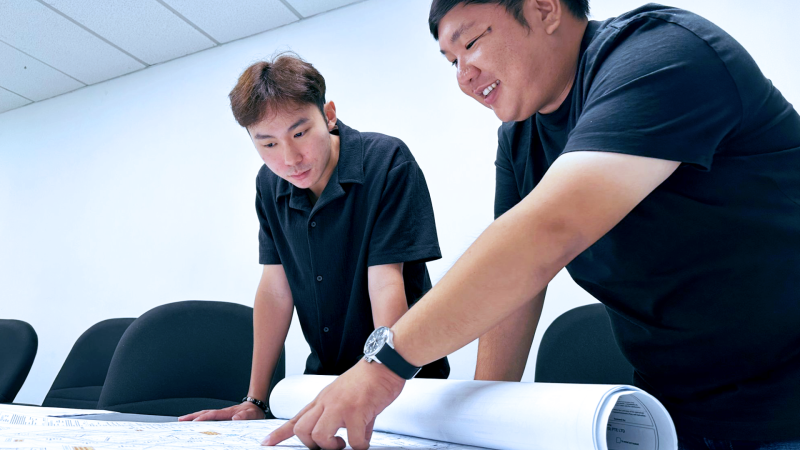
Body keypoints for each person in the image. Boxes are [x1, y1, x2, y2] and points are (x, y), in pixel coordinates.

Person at [264, 1, 800, 449]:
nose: (463, 77)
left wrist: (383, 367)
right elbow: (517, 289)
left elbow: (548, 232)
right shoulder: (519, 140)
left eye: (470, 43)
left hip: (784, 399)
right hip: (671, 411)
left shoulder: (664, 54)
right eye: (450, 61)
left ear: (544, 9)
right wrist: (479, 428)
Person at [178, 53, 449, 423]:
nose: (290, 158)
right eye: (268, 144)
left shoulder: (387, 160)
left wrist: (380, 379)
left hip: (403, 380)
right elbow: (276, 288)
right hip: (324, 379)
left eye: (300, 132)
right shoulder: (269, 184)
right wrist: (256, 401)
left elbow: (386, 281)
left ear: (329, 114)